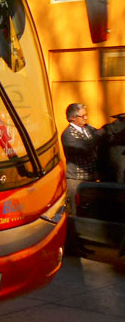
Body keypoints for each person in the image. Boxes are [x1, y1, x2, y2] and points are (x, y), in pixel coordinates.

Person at [61, 102, 101, 254]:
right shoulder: (68, 135)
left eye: (86, 115)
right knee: (75, 213)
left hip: (90, 177)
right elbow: (86, 147)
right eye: (82, 116)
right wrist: (99, 135)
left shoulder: (88, 129)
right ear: (72, 118)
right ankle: (73, 246)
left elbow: (98, 137)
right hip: (76, 179)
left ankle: (83, 242)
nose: (85, 118)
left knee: (87, 212)